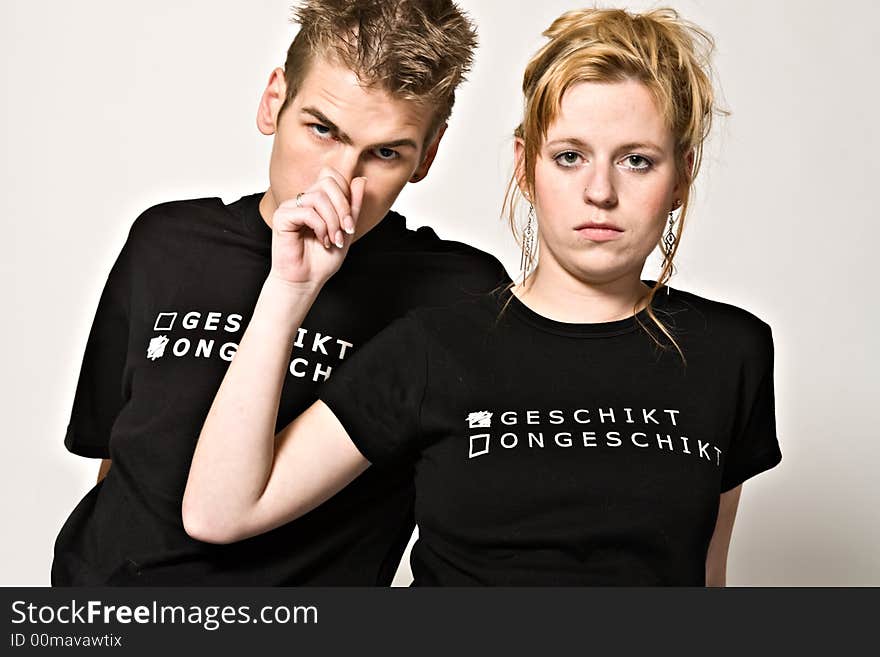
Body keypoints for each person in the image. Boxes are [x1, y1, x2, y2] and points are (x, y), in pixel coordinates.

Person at [183, 7, 782, 586]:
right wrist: (291, 289)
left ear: (680, 177)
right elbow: (220, 512)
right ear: (525, 167)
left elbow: (704, 578)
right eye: (569, 157)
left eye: (637, 161)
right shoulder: (432, 346)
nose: (600, 191)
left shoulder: (733, 351)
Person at [52, 0, 509, 586]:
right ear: (275, 101)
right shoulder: (166, 240)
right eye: (321, 130)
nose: (338, 182)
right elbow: (116, 457)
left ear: (429, 155)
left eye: (386, 152)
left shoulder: (459, 293)